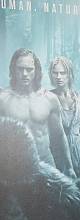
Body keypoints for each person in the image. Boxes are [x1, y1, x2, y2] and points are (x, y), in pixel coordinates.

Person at [0, 49, 75, 177]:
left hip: (45, 163)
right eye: (20, 69)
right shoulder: (3, 99)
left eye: (29, 69)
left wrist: (69, 167)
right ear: (13, 69)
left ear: (36, 71)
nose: (24, 73)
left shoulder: (49, 99)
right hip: (15, 167)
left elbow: (59, 135)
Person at [49, 56, 80, 177]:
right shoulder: (49, 97)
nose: (58, 77)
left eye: (62, 73)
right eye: (55, 73)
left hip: (78, 150)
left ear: (69, 74)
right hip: (58, 154)